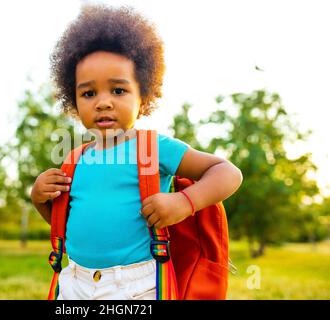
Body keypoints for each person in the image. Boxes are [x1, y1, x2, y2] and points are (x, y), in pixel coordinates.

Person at [30, 4, 243, 300]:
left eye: (118, 90)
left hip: (136, 285)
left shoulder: (153, 147)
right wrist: (39, 198)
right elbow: (66, 225)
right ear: (74, 101)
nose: (103, 102)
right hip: (74, 280)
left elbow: (228, 173)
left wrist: (184, 202)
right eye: (88, 93)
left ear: (143, 98)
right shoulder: (74, 159)